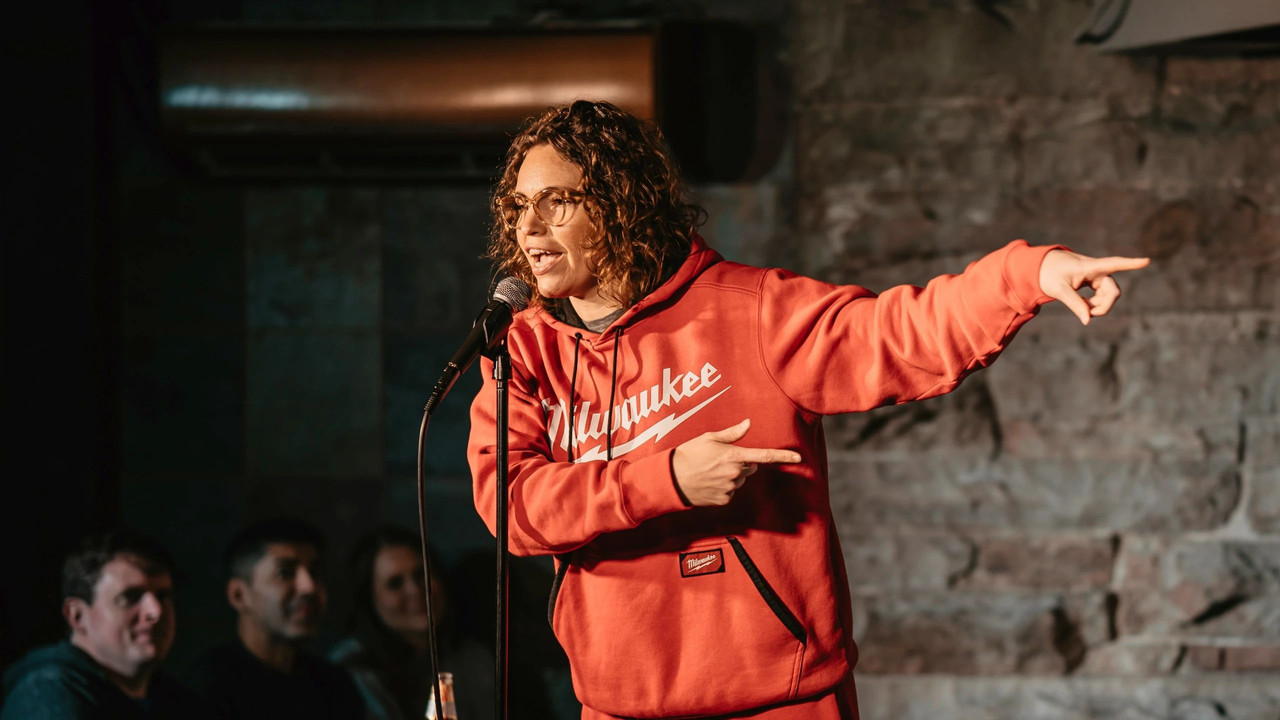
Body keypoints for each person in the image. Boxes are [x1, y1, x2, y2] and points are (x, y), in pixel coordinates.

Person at [466, 100, 1149, 720]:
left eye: (555, 202)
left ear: (620, 203)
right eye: (517, 205)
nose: (528, 227)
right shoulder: (522, 348)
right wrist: (667, 480)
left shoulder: (752, 311)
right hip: (618, 707)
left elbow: (899, 333)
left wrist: (1025, 276)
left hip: (781, 702)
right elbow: (512, 504)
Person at [1, 531, 210, 719]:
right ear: (77, 615)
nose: (155, 612)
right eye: (130, 597)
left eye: (163, 596)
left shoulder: (177, 701)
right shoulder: (46, 696)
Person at [194, 518, 364, 720]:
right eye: (284, 573)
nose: (309, 587)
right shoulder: (205, 689)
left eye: (315, 572)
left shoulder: (335, 685)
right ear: (239, 595)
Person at [330, 527, 494, 720]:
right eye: (395, 583)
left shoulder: (473, 660)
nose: (416, 590)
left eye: (421, 574)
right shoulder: (348, 674)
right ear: (369, 600)